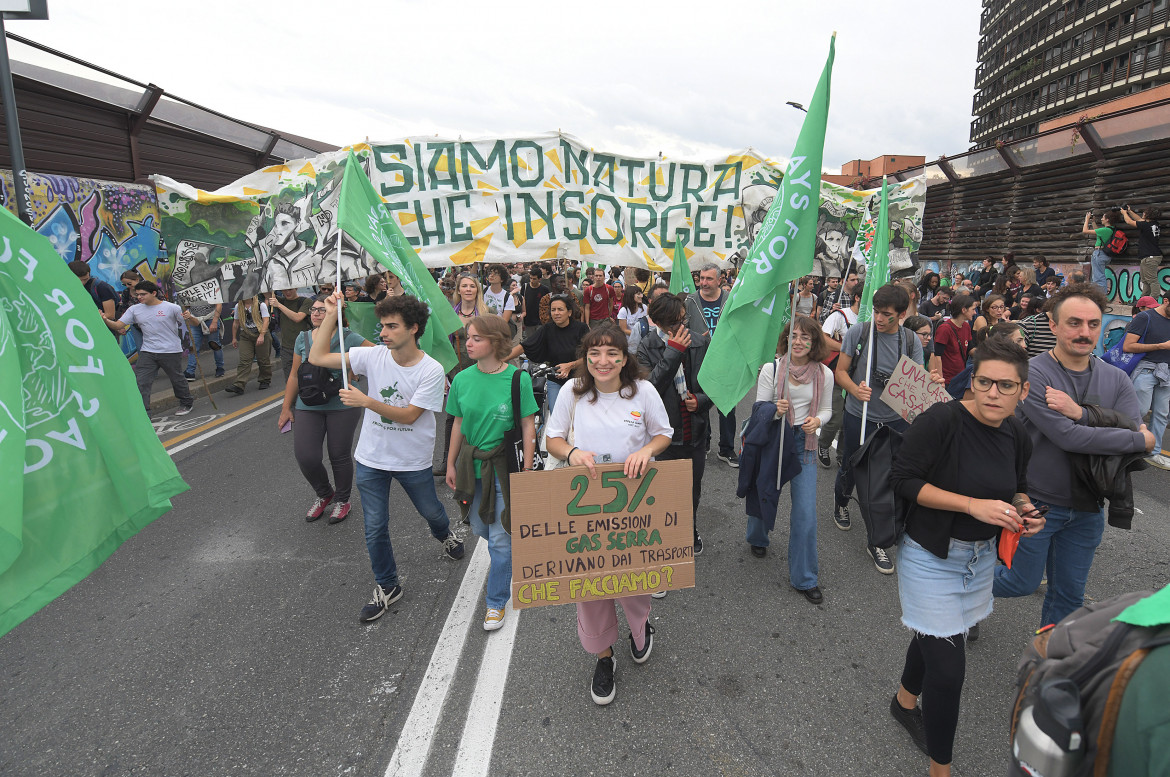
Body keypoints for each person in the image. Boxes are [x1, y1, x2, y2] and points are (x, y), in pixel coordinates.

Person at [889, 336, 1045, 777]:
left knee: (938, 634)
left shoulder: (1016, 432)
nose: (993, 393)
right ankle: (942, 770)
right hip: (930, 556)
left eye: (1006, 386)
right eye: (984, 382)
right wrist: (971, 505)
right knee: (949, 670)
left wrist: (1025, 510)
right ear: (972, 381)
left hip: (979, 562)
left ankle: (903, 702)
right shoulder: (942, 420)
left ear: (1024, 390)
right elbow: (903, 479)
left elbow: (1016, 486)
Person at [993, 283, 1155, 627]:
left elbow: (1128, 430)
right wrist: (1138, 441)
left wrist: (1083, 414)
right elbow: (1069, 438)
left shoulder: (1116, 379)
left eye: (1093, 324)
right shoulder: (1033, 374)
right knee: (1018, 582)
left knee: (1069, 596)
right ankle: (964, 595)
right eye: (1074, 323)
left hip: (1088, 505)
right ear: (1053, 325)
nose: (1085, 333)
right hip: (1036, 501)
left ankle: (1048, 668)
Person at [307, 293, 465, 619]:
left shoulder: (431, 370)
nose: (383, 333)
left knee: (432, 513)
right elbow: (318, 356)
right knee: (375, 527)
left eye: (392, 326)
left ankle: (444, 535)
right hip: (370, 458)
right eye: (382, 326)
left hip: (412, 461)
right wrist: (332, 315)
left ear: (414, 328)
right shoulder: (373, 356)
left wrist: (365, 401)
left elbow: (408, 415)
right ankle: (388, 585)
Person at [545, 326, 672, 705]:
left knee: (634, 578)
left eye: (612, 353)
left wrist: (647, 451)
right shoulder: (572, 391)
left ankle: (639, 630)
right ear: (585, 357)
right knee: (590, 584)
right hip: (585, 501)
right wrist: (570, 454)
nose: (604, 361)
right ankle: (603, 656)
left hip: (633, 500)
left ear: (624, 357)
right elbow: (552, 438)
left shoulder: (643, 391)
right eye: (595, 353)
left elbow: (663, 433)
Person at [446, 315, 538, 631]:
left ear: (495, 342)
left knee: (499, 541)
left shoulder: (517, 379)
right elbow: (458, 423)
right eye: (467, 337)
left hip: (505, 468)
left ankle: (495, 602)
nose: (467, 343)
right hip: (472, 469)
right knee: (480, 529)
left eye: (475, 338)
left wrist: (527, 469)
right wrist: (450, 462)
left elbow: (528, 424)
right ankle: (510, 549)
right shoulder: (461, 379)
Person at [832, 283, 923, 573]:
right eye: (876, 312)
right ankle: (841, 502)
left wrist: (931, 384)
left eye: (887, 315)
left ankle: (878, 540)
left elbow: (917, 385)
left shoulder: (911, 341)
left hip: (896, 420)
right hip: (859, 415)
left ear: (903, 313)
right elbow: (841, 372)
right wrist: (854, 391)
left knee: (887, 478)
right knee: (851, 464)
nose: (880, 319)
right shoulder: (860, 332)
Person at [752, 317, 834, 603]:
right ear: (786, 338)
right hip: (775, 439)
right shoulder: (772, 369)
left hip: (804, 443)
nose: (798, 342)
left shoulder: (825, 373)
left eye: (805, 337)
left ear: (814, 342)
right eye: (793, 335)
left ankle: (805, 577)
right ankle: (757, 537)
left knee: (805, 513)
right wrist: (775, 410)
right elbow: (759, 409)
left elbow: (827, 410)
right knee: (765, 493)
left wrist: (817, 422)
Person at [279, 296, 373, 523]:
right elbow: (294, 375)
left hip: (342, 403)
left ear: (335, 314)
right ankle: (324, 493)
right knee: (306, 456)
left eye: (322, 310)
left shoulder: (349, 337)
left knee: (338, 454)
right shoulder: (302, 339)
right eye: (313, 310)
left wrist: (355, 366)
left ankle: (342, 499)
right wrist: (285, 407)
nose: (316, 313)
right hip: (308, 404)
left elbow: (378, 356)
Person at [638, 293, 710, 554]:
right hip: (663, 435)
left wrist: (701, 400)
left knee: (692, 488)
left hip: (695, 431)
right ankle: (666, 535)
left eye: (683, 320)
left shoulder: (699, 341)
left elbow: (713, 383)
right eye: (674, 323)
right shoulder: (647, 346)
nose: (682, 327)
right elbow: (648, 389)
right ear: (657, 322)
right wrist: (673, 352)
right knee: (665, 491)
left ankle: (689, 528)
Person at [100, 280, 194, 416]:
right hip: (148, 351)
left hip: (170, 351)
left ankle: (186, 402)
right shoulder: (134, 309)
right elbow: (118, 325)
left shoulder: (171, 308)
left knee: (177, 379)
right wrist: (105, 319)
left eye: (143, 294)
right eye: (137, 294)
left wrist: (190, 317)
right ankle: (144, 412)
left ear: (154, 293)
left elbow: (192, 322)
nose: (139, 297)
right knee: (141, 381)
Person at [686, 263, 736, 467]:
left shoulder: (730, 300)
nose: (703, 283)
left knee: (727, 407)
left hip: (725, 360)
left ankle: (726, 449)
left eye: (708, 279)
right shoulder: (690, 301)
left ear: (720, 279)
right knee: (701, 404)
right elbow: (682, 327)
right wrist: (696, 338)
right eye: (701, 278)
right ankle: (703, 444)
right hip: (699, 359)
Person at [509, 294, 588, 414]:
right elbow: (524, 347)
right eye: (553, 310)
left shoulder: (581, 329)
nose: (556, 313)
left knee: (578, 414)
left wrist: (571, 365)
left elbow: (590, 357)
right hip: (555, 379)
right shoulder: (547, 329)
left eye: (560, 309)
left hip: (578, 379)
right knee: (555, 413)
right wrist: (500, 359)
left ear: (569, 312)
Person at [1123, 288, 1170, 470]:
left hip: (1166, 373)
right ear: (1166, 302)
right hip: (1146, 371)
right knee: (1138, 412)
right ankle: (1123, 447)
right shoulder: (1146, 317)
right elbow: (1128, 346)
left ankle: (1153, 453)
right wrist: (1161, 346)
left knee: (1161, 414)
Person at [819, 283, 862, 469]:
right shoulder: (840, 315)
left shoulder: (872, 319)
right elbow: (823, 338)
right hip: (837, 374)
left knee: (851, 417)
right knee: (836, 416)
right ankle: (823, 445)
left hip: (858, 376)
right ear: (857, 297)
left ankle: (843, 453)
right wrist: (848, 349)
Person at [224, 295, 273, 395]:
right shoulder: (239, 306)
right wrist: (234, 338)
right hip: (246, 334)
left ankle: (265, 379)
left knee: (263, 359)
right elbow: (236, 323)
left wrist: (262, 335)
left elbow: (266, 320)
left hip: (260, 332)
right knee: (244, 360)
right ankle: (239, 384)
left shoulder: (261, 305)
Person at [267, 288, 313, 380]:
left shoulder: (306, 301)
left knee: (306, 379)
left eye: (290, 289)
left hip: (304, 347)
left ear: (296, 288)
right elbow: (266, 292)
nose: (287, 292)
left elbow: (298, 318)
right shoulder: (280, 300)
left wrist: (279, 305)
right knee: (290, 380)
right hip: (286, 348)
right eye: (284, 290)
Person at [929, 294, 976, 384]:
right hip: (947, 380)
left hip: (960, 377)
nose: (975, 313)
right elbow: (937, 356)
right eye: (973, 309)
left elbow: (970, 349)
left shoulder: (966, 326)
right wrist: (940, 379)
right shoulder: (945, 329)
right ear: (964, 310)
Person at [1119, 205, 1163, 298]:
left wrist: (1124, 213)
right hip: (1150, 256)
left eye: (1145, 212)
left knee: (1152, 280)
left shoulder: (1146, 225)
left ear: (1148, 215)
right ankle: (1143, 300)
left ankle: (1153, 300)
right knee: (1146, 281)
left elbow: (1129, 221)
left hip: (1150, 257)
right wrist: (1130, 211)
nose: (1143, 213)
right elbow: (1139, 220)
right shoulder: (1154, 224)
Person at [181, 299, 225, 380]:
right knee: (193, 346)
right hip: (194, 319)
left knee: (214, 344)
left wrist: (215, 321)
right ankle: (190, 372)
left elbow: (219, 304)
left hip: (211, 318)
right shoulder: (189, 290)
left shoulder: (212, 287)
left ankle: (220, 368)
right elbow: (186, 305)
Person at [1083, 209, 1123, 292]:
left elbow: (1085, 231)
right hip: (1104, 254)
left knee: (1098, 277)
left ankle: (1101, 297)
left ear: (1107, 219)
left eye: (1103, 217)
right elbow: (1098, 232)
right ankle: (1100, 296)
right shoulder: (1110, 229)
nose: (1101, 219)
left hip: (1099, 254)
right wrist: (1093, 222)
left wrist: (1086, 219)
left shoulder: (1105, 230)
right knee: (1098, 275)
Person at [617, 286, 649, 354]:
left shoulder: (644, 307)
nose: (641, 296)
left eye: (641, 293)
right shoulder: (624, 311)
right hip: (630, 343)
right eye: (638, 294)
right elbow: (623, 329)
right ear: (631, 296)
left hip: (643, 343)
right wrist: (638, 334)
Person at [522, 266, 549, 339]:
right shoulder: (525, 287)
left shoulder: (545, 289)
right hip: (528, 321)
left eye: (534, 279)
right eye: (530, 278)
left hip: (540, 321)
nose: (532, 280)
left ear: (539, 279)